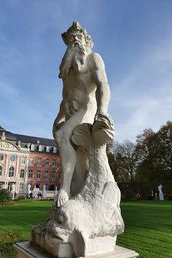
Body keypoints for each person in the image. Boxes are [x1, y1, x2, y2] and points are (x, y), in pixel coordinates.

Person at [53, 21, 111, 207]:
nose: (75, 41)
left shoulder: (94, 58)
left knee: (64, 136)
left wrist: (102, 111)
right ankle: (79, 190)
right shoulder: (67, 68)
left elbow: (103, 86)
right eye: (71, 39)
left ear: (86, 40)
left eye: (78, 37)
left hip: (88, 108)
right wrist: (59, 117)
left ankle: (65, 188)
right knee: (70, 146)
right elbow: (66, 97)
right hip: (71, 112)